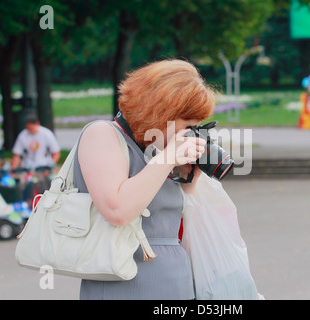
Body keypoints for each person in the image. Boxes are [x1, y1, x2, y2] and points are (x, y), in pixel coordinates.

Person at [76, 59, 215, 300]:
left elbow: (174, 227)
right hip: (121, 286)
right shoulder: (102, 134)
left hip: (178, 286)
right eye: (189, 126)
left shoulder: (158, 152)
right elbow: (117, 210)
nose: (193, 134)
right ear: (161, 112)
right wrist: (168, 158)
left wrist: (189, 178)